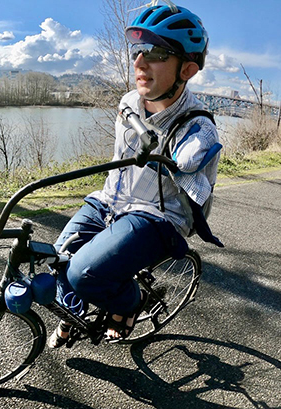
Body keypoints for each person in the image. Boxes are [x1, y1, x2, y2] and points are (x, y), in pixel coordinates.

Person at [48, 3, 223, 348]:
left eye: (156, 52)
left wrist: (184, 156)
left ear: (187, 69)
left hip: (158, 216)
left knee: (85, 273)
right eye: (138, 50)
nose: (139, 62)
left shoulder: (199, 125)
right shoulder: (130, 100)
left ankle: (129, 304)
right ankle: (74, 315)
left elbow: (197, 149)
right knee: (58, 258)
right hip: (110, 201)